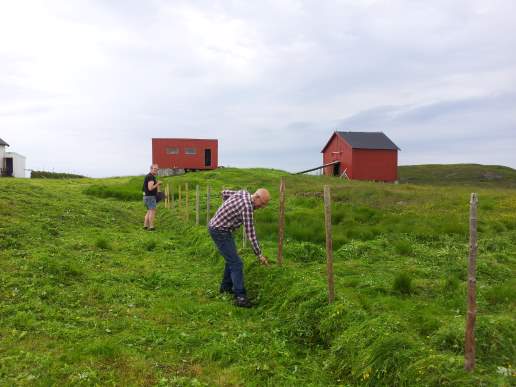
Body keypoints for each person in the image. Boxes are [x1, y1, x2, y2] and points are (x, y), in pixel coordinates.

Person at [208, 188, 270, 308]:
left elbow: (224, 192)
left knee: (231, 260)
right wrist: (259, 254)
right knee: (237, 264)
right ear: (256, 197)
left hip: (221, 228)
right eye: (262, 204)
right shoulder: (247, 208)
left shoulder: (243, 193)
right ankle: (240, 297)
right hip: (219, 231)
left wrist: (226, 212)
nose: (262, 207)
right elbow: (250, 234)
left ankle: (225, 288)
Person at [143, 164, 161, 231]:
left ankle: (145, 226)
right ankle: (151, 227)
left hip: (146, 196)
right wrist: (157, 184)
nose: (156, 170)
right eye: (154, 169)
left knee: (148, 211)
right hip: (150, 197)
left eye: (157, 169)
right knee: (152, 212)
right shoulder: (151, 177)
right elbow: (150, 188)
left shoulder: (148, 176)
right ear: (151, 169)